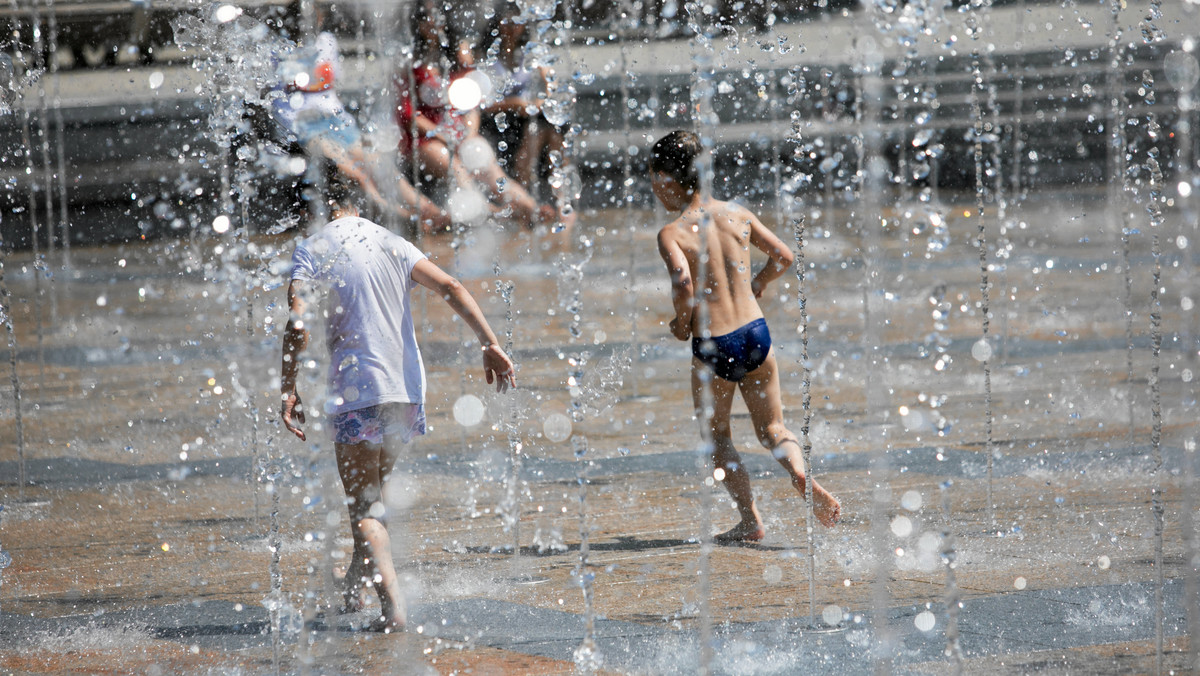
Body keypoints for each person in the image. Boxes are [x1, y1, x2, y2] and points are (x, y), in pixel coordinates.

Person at [279, 172, 516, 632]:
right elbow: (450, 286)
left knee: (363, 507)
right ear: (357, 201)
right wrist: (489, 342)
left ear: (319, 206)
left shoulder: (313, 249)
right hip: (406, 392)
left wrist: (288, 386)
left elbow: (298, 324)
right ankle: (355, 585)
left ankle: (393, 609)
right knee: (373, 497)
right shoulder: (390, 241)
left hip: (357, 394)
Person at [650, 130, 840, 542]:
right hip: (756, 334)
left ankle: (749, 520)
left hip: (715, 344)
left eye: (655, 182)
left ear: (667, 180)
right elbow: (784, 256)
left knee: (716, 434)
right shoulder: (738, 213)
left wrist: (683, 322)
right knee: (773, 427)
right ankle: (799, 472)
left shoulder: (673, 232)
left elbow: (683, 281)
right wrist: (758, 284)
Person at [271, 2, 450, 232]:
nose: (313, 23)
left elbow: (331, 88)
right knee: (356, 173)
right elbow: (277, 101)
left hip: (335, 120)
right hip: (304, 126)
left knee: (379, 163)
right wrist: (293, 132)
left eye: (317, 17)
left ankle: (427, 209)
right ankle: (400, 216)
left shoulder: (326, 42)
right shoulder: (280, 50)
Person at [395, 0, 560, 229]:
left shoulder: (455, 58)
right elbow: (408, 113)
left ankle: (530, 207)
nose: (433, 23)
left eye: (438, 17)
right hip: (424, 138)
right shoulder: (410, 62)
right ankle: (492, 213)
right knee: (457, 169)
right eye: (427, 18)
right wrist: (440, 134)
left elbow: (472, 101)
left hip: (458, 131)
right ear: (419, 24)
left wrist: (470, 132)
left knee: (489, 168)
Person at [479, 3, 568, 199]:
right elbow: (481, 104)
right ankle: (528, 193)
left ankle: (560, 195)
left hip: (525, 118)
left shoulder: (527, 54)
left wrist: (542, 99)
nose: (512, 28)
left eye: (517, 23)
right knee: (539, 129)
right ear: (498, 25)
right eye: (507, 23)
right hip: (497, 119)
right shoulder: (487, 57)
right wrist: (515, 103)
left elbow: (551, 83)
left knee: (549, 127)